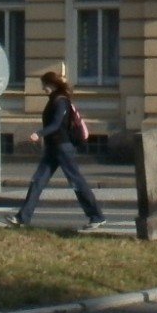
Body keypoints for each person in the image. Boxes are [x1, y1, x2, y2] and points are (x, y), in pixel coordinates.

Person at [10, 70, 107, 230]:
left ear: (52, 85)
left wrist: (38, 134)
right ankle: (22, 218)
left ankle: (97, 216)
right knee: (37, 181)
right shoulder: (54, 100)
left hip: (63, 148)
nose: (43, 89)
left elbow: (55, 125)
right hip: (52, 149)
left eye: (45, 85)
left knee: (76, 182)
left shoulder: (61, 101)